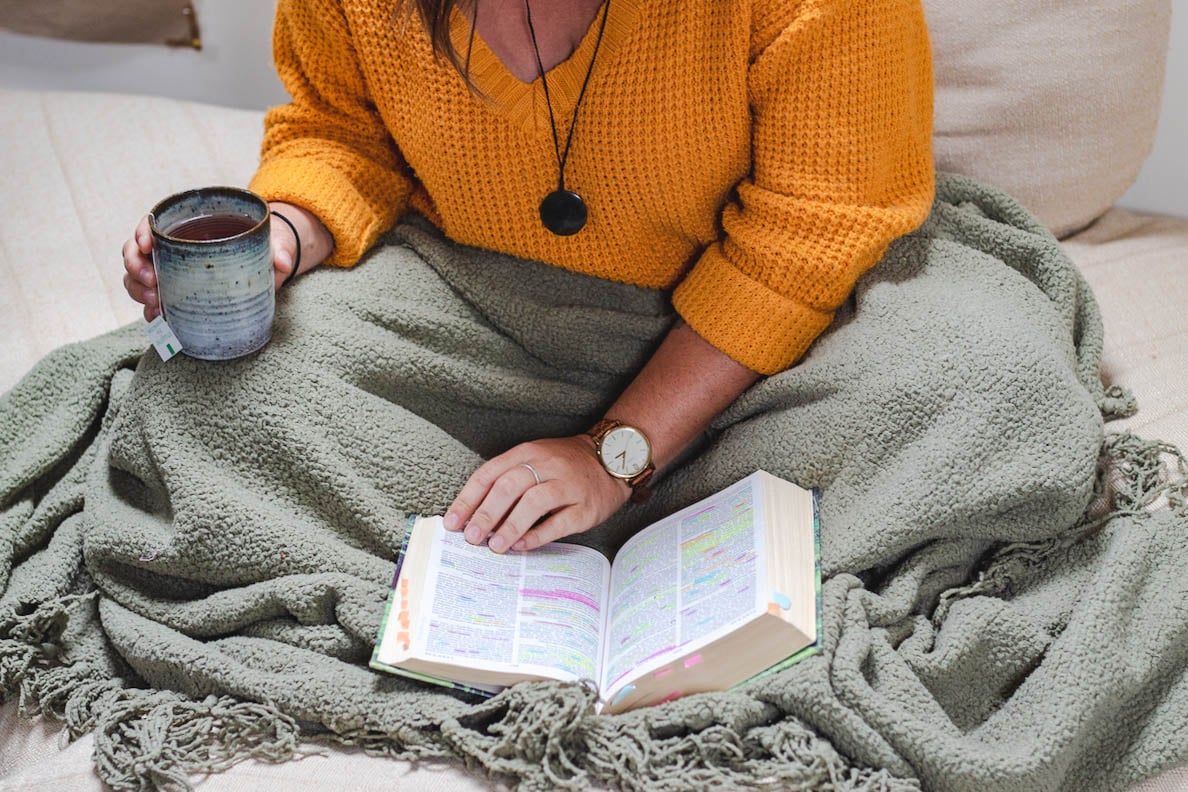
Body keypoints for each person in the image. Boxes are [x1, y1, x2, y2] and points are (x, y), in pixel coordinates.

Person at [121, 0, 935, 556]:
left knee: (978, 378)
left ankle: (609, 512)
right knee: (206, 390)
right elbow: (341, 132)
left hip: (764, 324)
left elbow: (810, 232)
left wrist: (612, 456)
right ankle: (509, 551)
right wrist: (286, 236)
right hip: (478, 297)